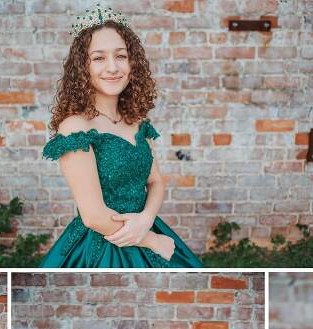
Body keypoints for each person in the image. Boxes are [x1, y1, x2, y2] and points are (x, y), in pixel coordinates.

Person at [39, 5, 202, 268]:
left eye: (121, 56)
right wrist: (153, 241)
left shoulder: (136, 119)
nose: (113, 67)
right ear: (83, 67)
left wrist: (147, 219)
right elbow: (93, 216)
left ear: (132, 62)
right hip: (101, 243)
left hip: (145, 225)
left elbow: (156, 181)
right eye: (99, 58)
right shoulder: (74, 126)